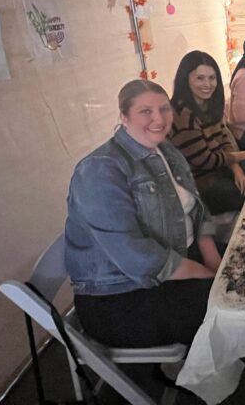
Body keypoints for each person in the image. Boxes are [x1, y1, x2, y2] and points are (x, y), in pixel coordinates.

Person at [65, 79, 220, 348]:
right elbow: (135, 256)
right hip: (121, 298)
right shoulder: (99, 170)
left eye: (164, 109)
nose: (159, 119)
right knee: (231, 305)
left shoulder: (166, 150)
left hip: (179, 262)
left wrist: (214, 261)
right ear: (124, 117)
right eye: (145, 111)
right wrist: (205, 274)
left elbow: (197, 211)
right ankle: (207, 375)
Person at [170, 51, 245, 220]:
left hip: (222, 167)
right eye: (200, 78)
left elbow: (223, 139)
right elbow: (206, 161)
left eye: (212, 78)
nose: (207, 84)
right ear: (185, 79)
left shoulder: (209, 104)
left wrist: (237, 168)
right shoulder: (181, 113)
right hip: (202, 182)